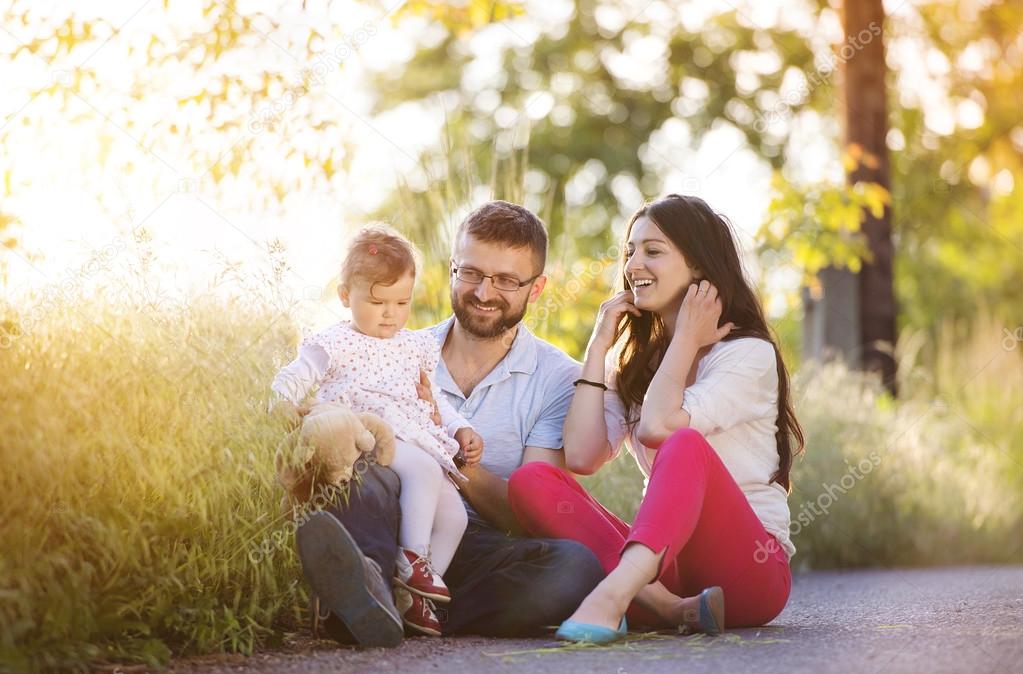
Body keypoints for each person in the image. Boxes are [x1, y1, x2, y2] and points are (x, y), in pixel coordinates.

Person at [289, 201, 606, 646]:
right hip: (391, 518)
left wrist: (454, 455)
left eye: (507, 280)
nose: (483, 292)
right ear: (453, 269)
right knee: (364, 473)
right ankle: (377, 589)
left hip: (478, 545)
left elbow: (528, 515)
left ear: (536, 290)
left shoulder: (558, 379)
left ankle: (388, 608)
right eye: (471, 273)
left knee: (576, 566)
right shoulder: (394, 346)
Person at [508, 194, 805, 644]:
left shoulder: (747, 353)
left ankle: (614, 597)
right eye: (630, 251)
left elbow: (659, 428)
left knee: (684, 443)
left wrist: (686, 335)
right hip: (667, 568)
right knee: (532, 480)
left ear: (699, 267)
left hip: (750, 572)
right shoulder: (635, 366)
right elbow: (583, 456)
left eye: (653, 251)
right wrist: (597, 350)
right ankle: (667, 606)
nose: (633, 265)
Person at [271, 223, 483, 636]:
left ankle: (413, 599)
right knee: (422, 471)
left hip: (418, 434)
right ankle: (414, 559)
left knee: (456, 516)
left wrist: (460, 428)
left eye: (401, 301)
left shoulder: (414, 345)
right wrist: (281, 402)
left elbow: (434, 399)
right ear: (345, 295)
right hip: (371, 431)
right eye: (378, 301)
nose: (390, 313)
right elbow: (296, 375)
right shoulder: (336, 341)